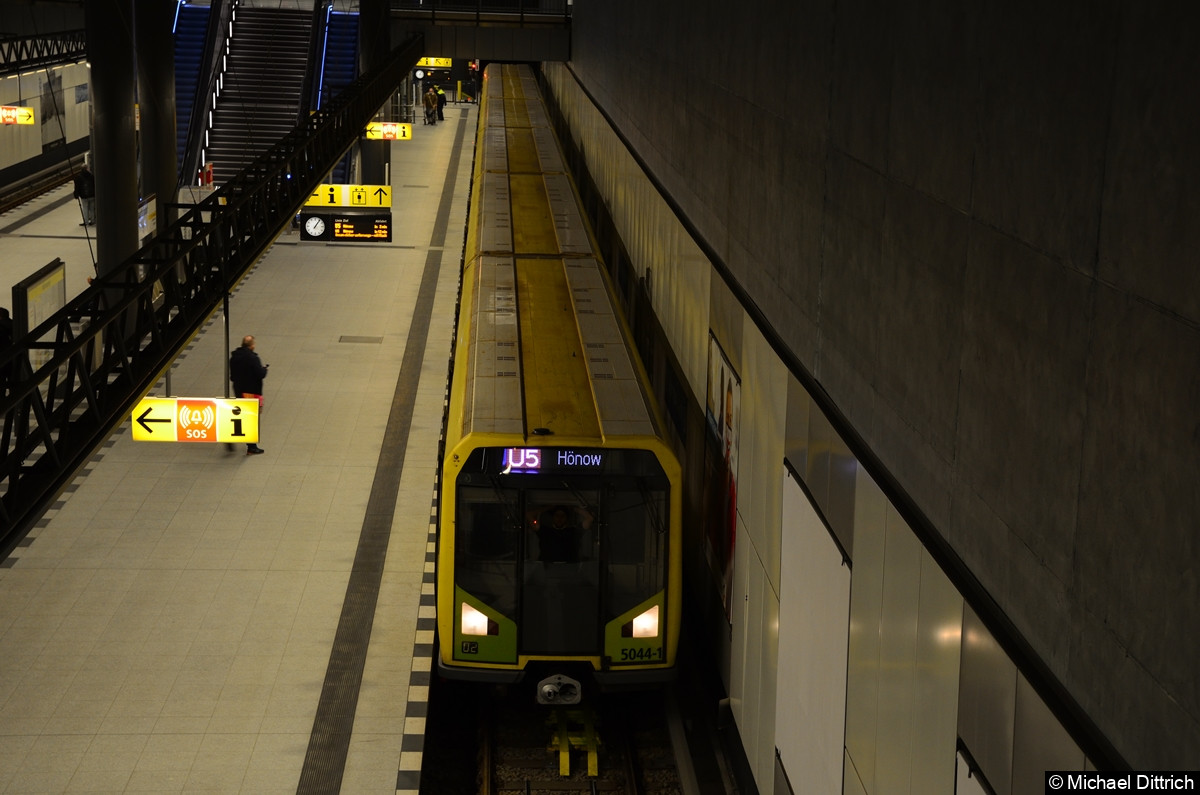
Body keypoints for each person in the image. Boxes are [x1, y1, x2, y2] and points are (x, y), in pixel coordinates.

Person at [229, 335, 267, 455]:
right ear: (252, 346)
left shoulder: (234, 357)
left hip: (239, 390)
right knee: (252, 417)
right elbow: (260, 374)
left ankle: (233, 437)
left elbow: (233, 376)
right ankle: (251, 447)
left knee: (242, 415)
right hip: (251, 391)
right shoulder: (252, 358)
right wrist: (265, 369)